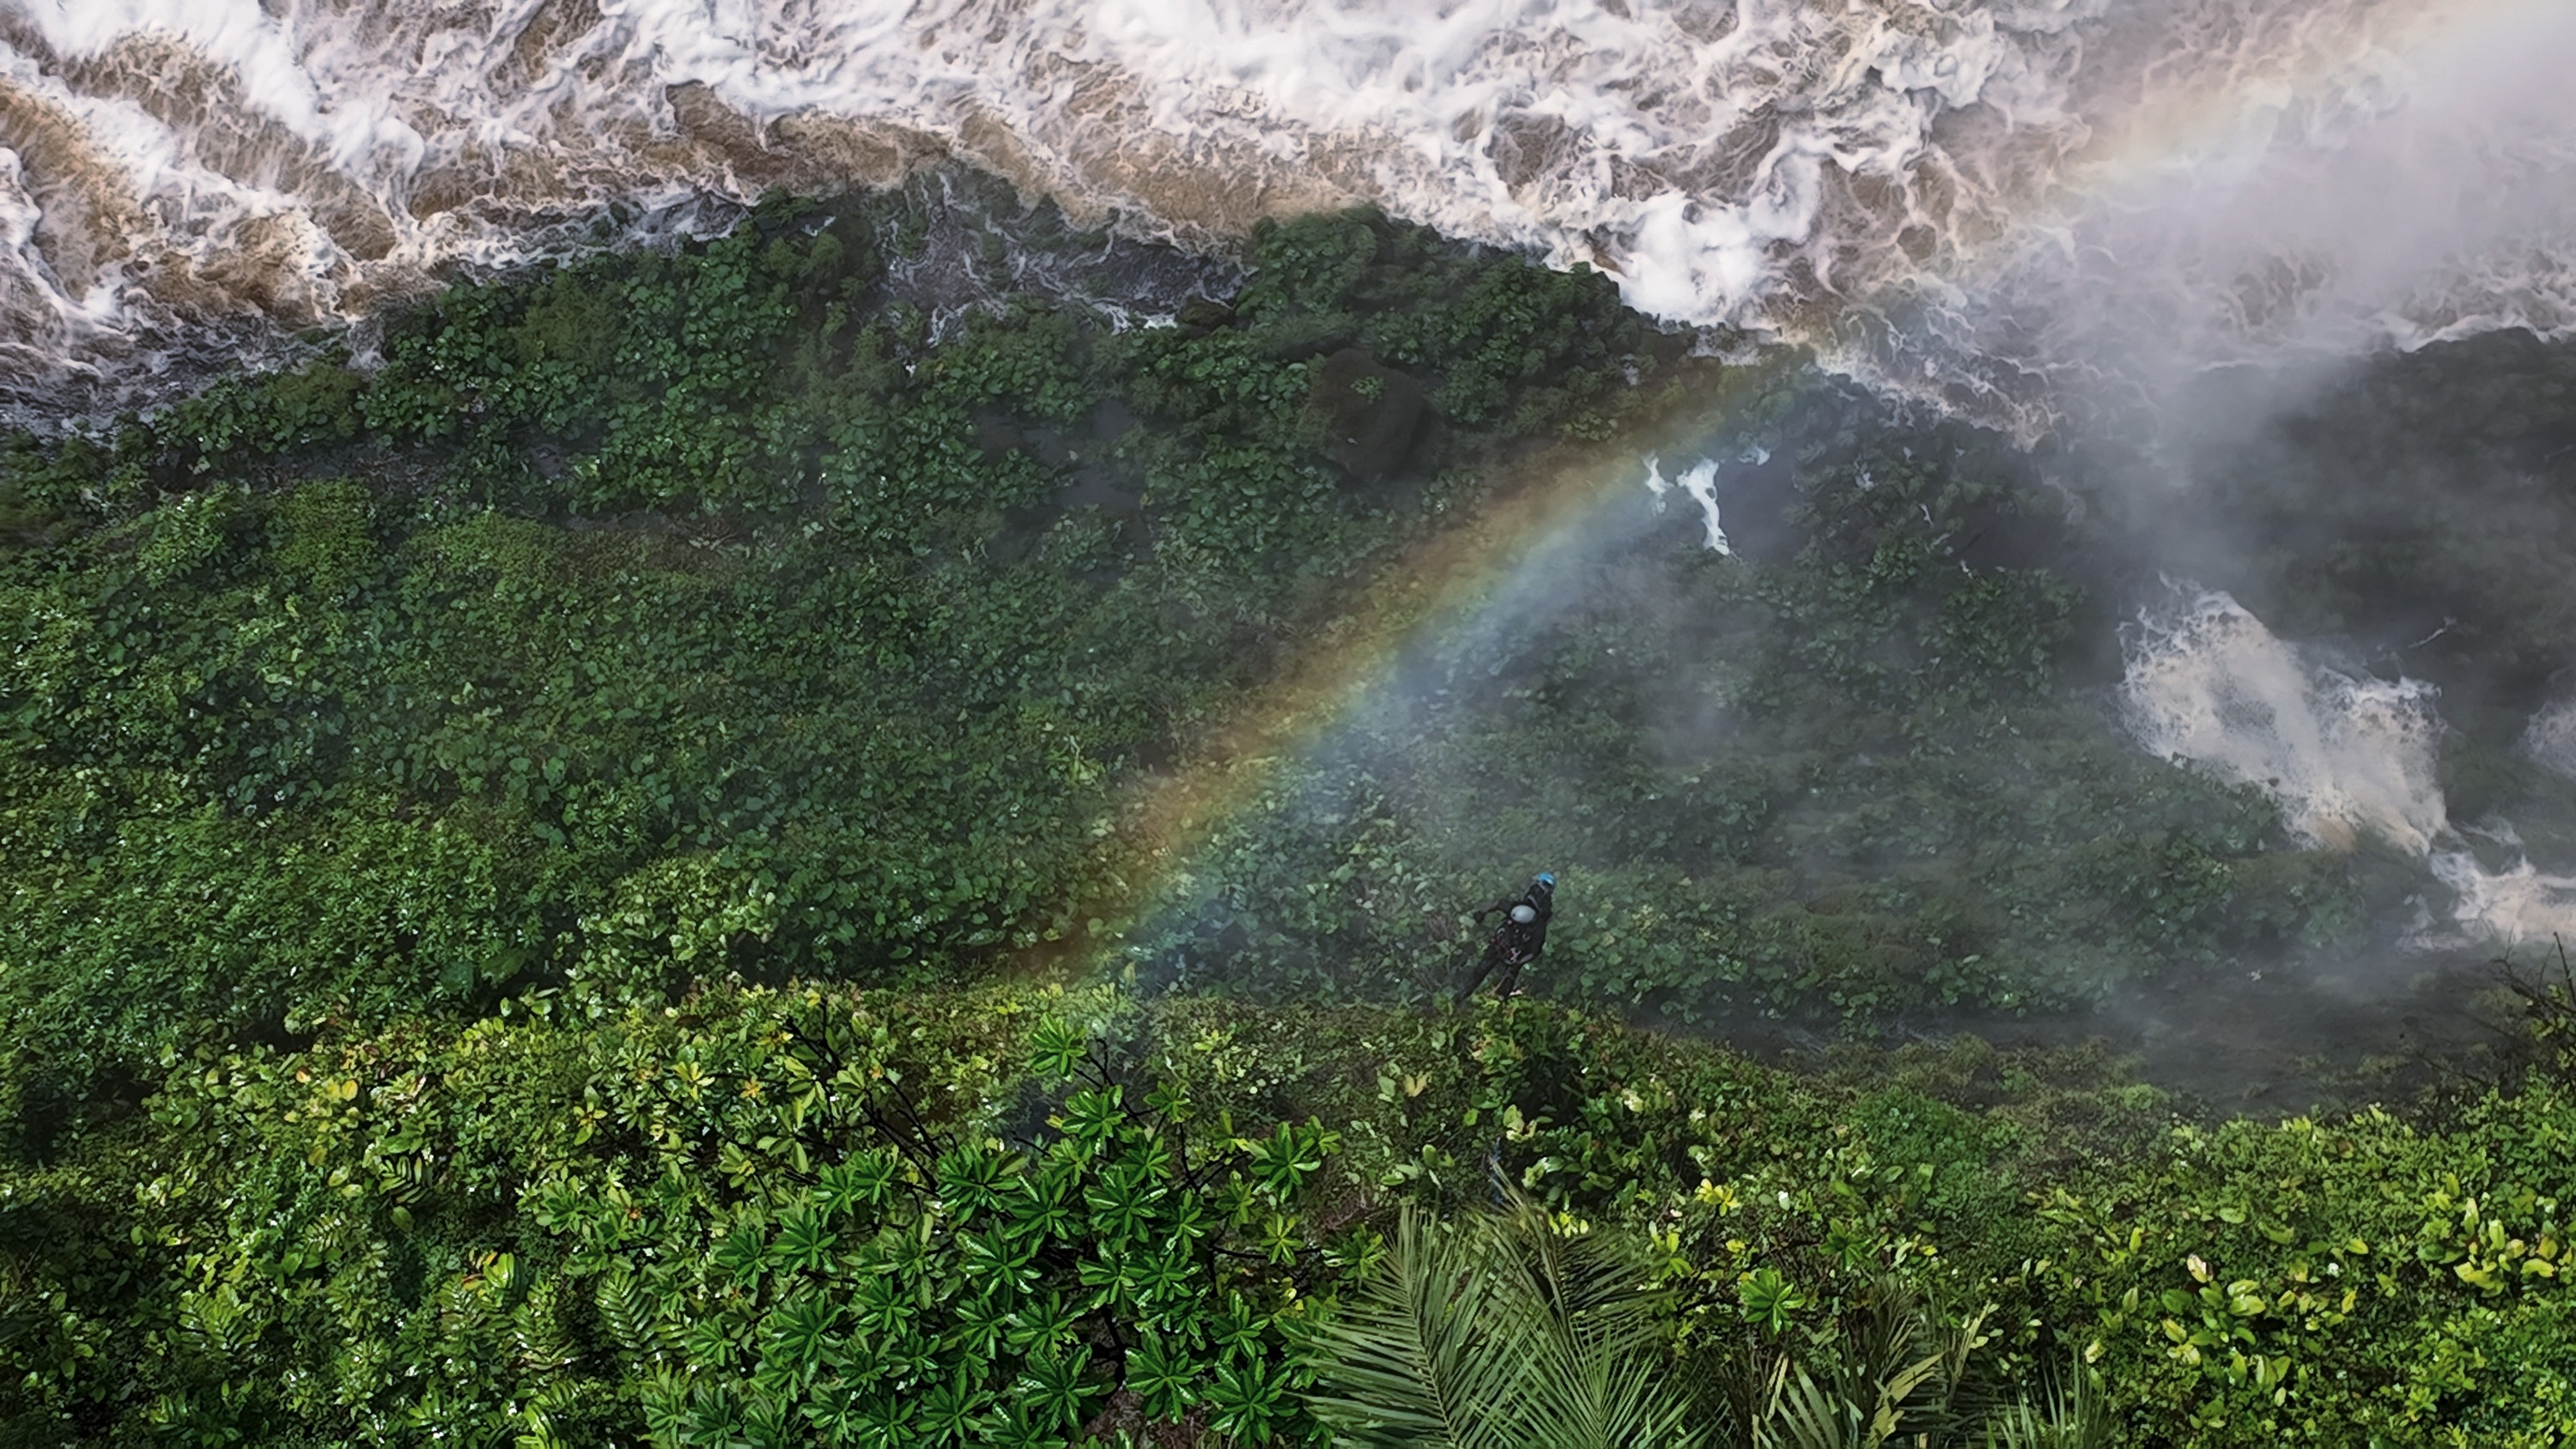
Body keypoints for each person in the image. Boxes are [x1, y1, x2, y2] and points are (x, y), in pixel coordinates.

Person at [1458, 872, 1555, 1001]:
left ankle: (1482, 998)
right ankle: (1465, 996)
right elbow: (1500, 904)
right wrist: (1481, 913)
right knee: (1483, 973)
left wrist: (1517, 963)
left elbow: (1535, 950)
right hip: (1505, 947)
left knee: (1494, 975)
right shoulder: (1531, 916)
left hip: (1510, 951)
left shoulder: (1535, 922)